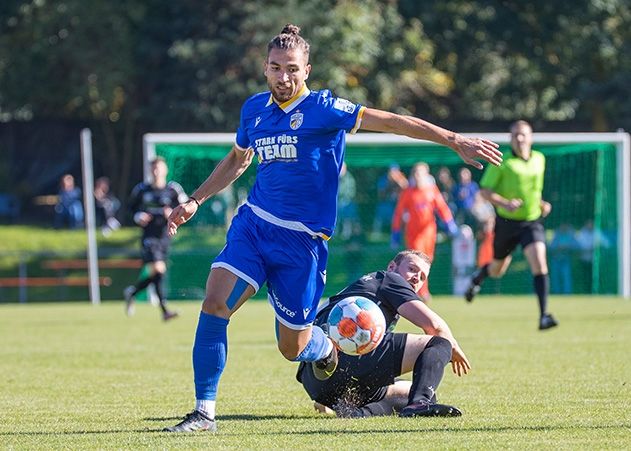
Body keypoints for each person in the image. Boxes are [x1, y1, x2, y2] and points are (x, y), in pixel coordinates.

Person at [163, 24, 502, 433]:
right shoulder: (253, 109)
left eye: (291, 69)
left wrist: (452, 140)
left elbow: (393, 121)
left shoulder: (325, 108)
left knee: (293, 348)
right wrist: (195, 200)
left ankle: (323, 348)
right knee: (215, 301)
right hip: (254, 226)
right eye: (275, 68)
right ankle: (204, 413)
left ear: (306, 70)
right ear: (265, 69)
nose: (283, 77)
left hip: (302, 245)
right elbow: (238, 160)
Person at [298, 250, 470, 418]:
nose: (417, 277)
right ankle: (420, 404)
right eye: (412, 269)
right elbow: (434, 326)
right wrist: (450, 348)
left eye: (423, 277)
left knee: (420, 391)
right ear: (392, 267)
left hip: (316, 379)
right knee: (439, 343)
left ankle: (358, 413)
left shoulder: (362, 288)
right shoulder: (389, 279)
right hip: (345, 361)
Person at [464, 120, 558, 330]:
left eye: (523, 134)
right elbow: (485, 191)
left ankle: (544, 315)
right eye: (515, 135)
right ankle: (477, 278)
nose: (520, 138)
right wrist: (505, 203)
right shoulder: (502, 161)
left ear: (531, 137)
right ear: (511, 138)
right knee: (498, 269)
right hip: (506, 222)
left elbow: (534, 189)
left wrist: (542, 204)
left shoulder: (539, 159)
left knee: (540, 263)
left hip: (531, 222)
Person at [124, 157, 187, 321]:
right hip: (149, 236)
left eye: (159, 168)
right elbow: (129, 210)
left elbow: (185, 208)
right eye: (153, 168)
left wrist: (173, 214)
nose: (156, 171)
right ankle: (165, 311)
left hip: (165, 236)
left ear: (165, 170)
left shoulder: (173, 190)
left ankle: (133, 292)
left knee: (158, 274)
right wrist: (138, 216)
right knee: (158, 270)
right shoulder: (142, 190)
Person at [391, 162, 458, 302]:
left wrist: (449, 223)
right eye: (415, 174)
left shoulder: (431, 190)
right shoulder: (408, 192)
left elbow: (442, 207)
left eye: (420, 173)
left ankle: (419, 290)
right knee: (417, 261)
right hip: (413, 233)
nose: (418, 177)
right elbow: (398, 213)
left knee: (428, 260)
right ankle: (422, 292)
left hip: (429, 232)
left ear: (426, 175)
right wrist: (396, 231)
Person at [371, 163, 408, 237]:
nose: (393, 173)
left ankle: (401, 233)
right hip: (386, 202)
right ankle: (377, 233)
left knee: (404, 212)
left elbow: (407, 191)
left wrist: (399, 182)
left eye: (395, 171)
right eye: (392, 171)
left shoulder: (402, 178)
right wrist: (389, 183)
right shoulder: (383, 179)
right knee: (383, 209)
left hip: (399, 204)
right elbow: (381, 196)